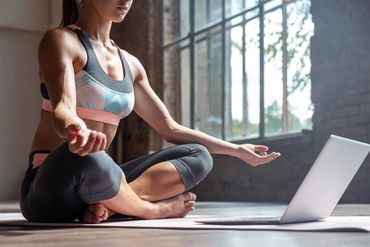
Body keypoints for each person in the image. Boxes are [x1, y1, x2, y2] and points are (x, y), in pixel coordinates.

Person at [20, 0, 281, 224]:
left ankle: (109, 206)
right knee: (89, 157)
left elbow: (170, 129)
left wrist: (236, 150)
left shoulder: (131, 64)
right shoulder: (62, 40)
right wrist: (75, 131)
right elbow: (62, 109)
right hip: (52, 189)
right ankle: (149, 210)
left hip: (99, 184)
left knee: (198, 155)